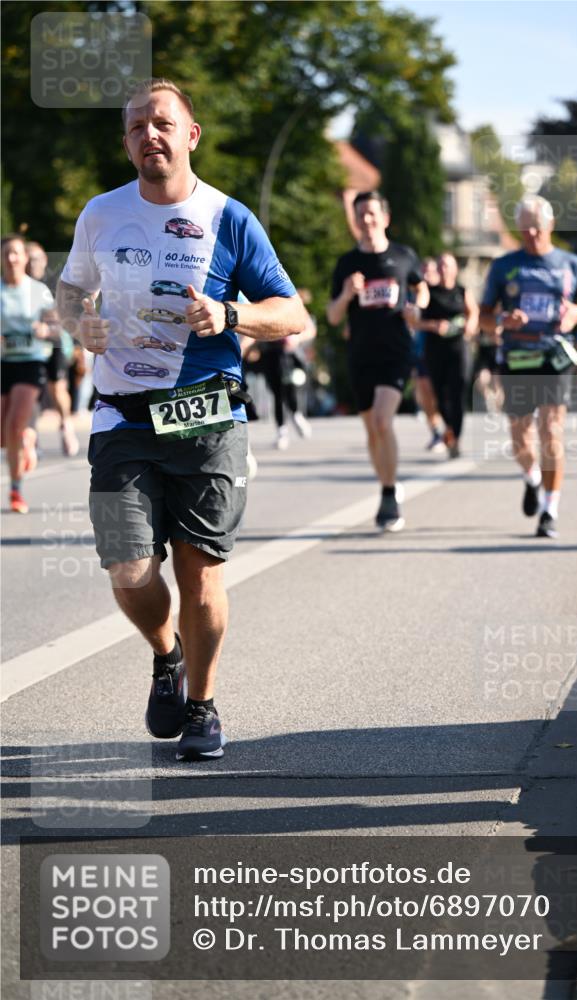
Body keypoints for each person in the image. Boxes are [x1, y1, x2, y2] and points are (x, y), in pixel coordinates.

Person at [57, 78, 307, 762]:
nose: (149, 135)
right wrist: (82, 323)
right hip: (119, 417)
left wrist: (230, 315)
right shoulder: (101, 214)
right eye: (136, 126)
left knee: (200, 573)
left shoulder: (228, 218)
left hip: (206, 419)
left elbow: (292, 314)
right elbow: (70, 290)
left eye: (161, 122)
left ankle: (201, 704)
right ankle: (165, 654)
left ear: (190, 134)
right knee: (127, 567)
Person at [480, 195, 577, 539]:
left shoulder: (572, 264)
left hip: (554, 357)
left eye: (537, 227)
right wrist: (504, 319)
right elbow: (484, 318)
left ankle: (551, 507)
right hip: (518, 358)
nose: (532, 234)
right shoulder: (504, 266)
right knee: (520, 438)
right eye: (524, 229)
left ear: (550, 225)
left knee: (552, 431)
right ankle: (532, 477)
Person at [327, 191, 429, 531]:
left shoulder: (403, 256)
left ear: (385, 218)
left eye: (371, 214)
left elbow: (421, 286)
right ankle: (386, 484)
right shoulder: (347, 263)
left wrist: (418, 307)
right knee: (372, 430)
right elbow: (332, 316)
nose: (366, 220)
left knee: (384, 422)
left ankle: (389, 492)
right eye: (360, 215)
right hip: (361, 354)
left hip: (396, 350)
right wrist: (346, 294)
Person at [1, 234, 58, 513]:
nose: (11, 259)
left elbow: (58, 329)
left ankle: (16, 490)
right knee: (4, 434)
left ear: (25, 258)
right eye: (5, 254)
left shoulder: (39, 291)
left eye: (16, 253)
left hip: (30, 363)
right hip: (3, 364)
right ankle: (26, 439)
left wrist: (45, 330)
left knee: (13, 424)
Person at [418, 253, 478, 458]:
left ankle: (456, 437)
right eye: (441, 265)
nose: (444, 269)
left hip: (458, 345)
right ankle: (449, 429)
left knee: (458, 389)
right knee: (440, 394)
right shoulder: (429, 292)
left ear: (454, 269)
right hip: (435, 348)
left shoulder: (461, 290)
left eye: (448, 266)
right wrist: (433, 325)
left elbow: (473, 312)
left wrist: (470, 325)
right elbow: (415, 321)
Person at [26, 241, 80, 456]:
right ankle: (32, 438)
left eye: (37, 259)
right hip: (31, 348)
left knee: (57, 389)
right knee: (31, 393)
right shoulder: (19, 286)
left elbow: (67, 317)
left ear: (45, 259)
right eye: (28, 259)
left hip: (55, 343)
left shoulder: (52, 282)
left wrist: (48, 329)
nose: (32, 264)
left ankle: (66, 425)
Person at [260, 287, 315, 450]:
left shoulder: (299, 310)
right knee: (276, 393)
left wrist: (296, 340)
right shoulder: (268, 305)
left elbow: (310, 331)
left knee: (291, 388)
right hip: (272, 354)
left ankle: (296, 415)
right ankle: (281, 432)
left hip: (291, 357)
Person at [414, 257, 446, 452]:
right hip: (420, 350)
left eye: (430, 270)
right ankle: (436, 432)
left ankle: (448, 430)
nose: (426, 273)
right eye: (423, 269)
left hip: (443, 351)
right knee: (424, 393)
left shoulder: (445, 294)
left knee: (440, 394)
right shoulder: (416, 294)